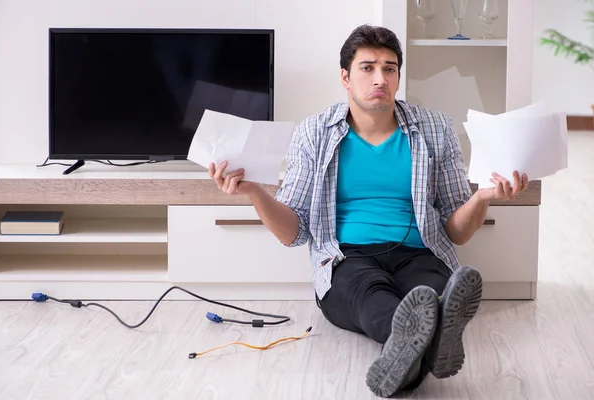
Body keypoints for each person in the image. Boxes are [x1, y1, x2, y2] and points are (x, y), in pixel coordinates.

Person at [209, 24, 529, 397]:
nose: (380, 78)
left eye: (389, 68)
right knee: (371, 297)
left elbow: (455, 231)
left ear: (398, 76)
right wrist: (253, 193)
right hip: (347, 258)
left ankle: (416, 349)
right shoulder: (314, 132)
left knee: (426, 293)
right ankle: (435, 338)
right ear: (345, 77)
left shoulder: (436, 129)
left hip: (419, 251)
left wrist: (482, 198)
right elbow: (293, 232)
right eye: (367, 67)